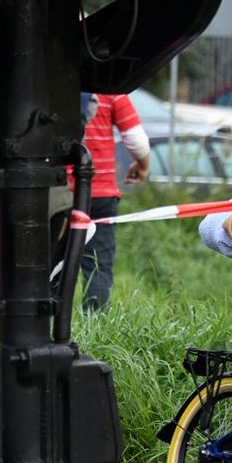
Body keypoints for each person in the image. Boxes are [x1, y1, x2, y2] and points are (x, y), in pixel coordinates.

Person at [79, 93, 150, 311]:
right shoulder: (109, 87)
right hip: (100, 191)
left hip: (58, 191)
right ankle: (96, 323)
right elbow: (136, 139)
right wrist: (143, 165)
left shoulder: (50, 78)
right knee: (98, 264)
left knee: (52, 263)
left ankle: (44, 328)